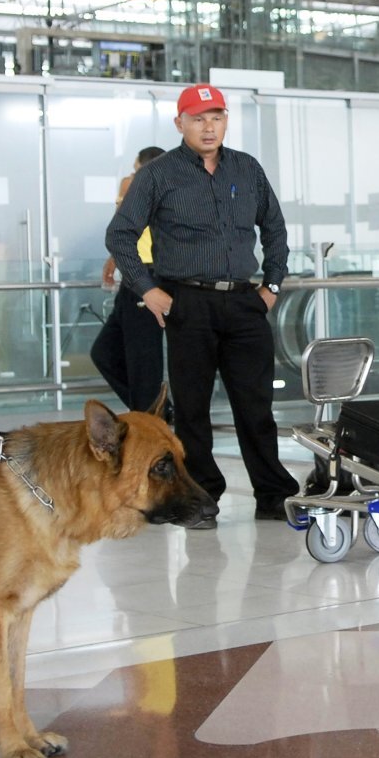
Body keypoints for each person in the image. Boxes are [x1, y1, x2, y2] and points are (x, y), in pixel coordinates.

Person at [105, 84, 300, 523]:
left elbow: (275, 229)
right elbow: (120, 235)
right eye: (197, 118)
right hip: (187, 302)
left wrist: (271, 285)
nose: (208, 126)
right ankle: (202, 499)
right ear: (180, 124)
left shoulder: (247, 169)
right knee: (192, 412)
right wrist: (147, 289)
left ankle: (273, 496)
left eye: (216, 117)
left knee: (256, 407)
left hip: (245, 302)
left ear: (226, 121)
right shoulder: (158, 174)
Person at [90, 146, 168, 417]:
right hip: (132, 277)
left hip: (150, 276)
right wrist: (115, 257)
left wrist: (126, 192)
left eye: (135, 170)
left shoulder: (160, 190)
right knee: (104, 353)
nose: (131, 175)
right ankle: (157, 413)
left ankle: (150, 422)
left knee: (143, 363)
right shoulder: (140, 191)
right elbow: (125, 229)